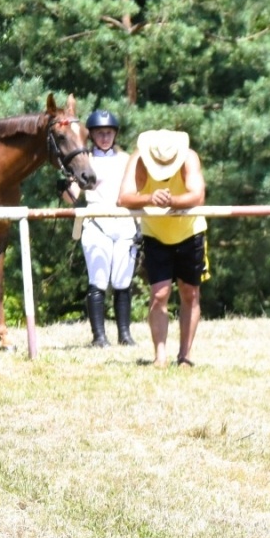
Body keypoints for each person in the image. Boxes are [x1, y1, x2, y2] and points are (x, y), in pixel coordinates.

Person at [118, 129, 207, 366]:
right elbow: (124, 198)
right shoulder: (138, 159)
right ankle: (160, 355)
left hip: (190, 231)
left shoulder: (189, 158)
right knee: (159, 294)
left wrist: (172, 201)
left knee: (190, 292)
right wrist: (149, 198)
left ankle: (185, 355)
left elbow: (198, 195)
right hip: (155, 232)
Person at [61, 109, 139, 348]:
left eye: (109, 132)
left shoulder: (126, 159)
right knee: (99, 280)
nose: (105, 137)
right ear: (92, 136)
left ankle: (124, 334)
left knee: (122, 282)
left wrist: (140, 226)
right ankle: (99, 336)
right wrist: (64, 187)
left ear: (115, 134)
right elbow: (72, 197)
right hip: (96, 223)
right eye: (99, 133)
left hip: (125, 223)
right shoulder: (86, 160)